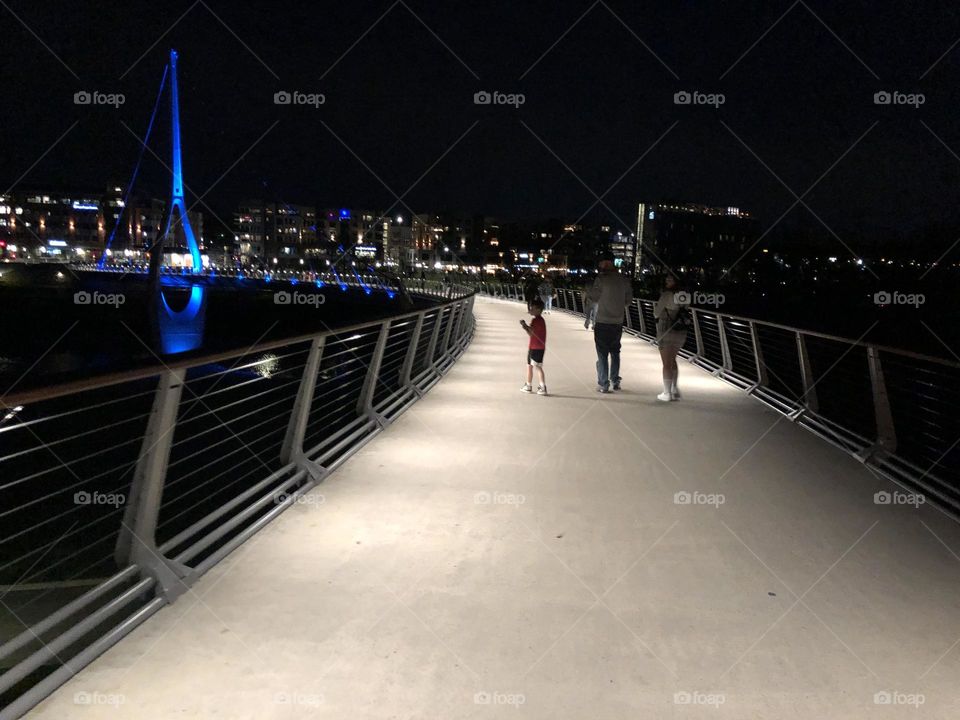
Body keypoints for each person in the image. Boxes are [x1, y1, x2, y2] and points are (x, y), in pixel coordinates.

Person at [585, 253, 632, 393]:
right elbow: (628, 300)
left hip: (603, 321)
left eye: (601, 263)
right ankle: (615, 380)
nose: (599, 266)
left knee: (602, 353)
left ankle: (604, 383)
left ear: (606, 263)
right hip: (617, 321)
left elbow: (594, 297)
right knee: (615, 352)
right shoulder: (624, 280)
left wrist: (588, 291)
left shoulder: (601, 279)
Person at [653, 275, 690, 401]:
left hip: (666, 329)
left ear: (675, 281)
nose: (667, 281)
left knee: (666, 363)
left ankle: (666, 393)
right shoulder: (685, 295)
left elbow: (656, 313)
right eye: (666, 279)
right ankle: (674, 388)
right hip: (681, 331)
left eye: (670, 280)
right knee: (673, 359)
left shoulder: (666, 295)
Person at [519, 297, 548, 396]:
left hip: (536, 347)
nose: (530, 310)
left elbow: (531, 332)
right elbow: (531, 333)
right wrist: (525, 326)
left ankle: (541, 386)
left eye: (532, 308)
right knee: (531, 366)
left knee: (536, 367)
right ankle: (529, 385)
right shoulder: (539, 320)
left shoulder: (537, 321)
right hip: (536, 347)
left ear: (539, 310)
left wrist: (524, 325)